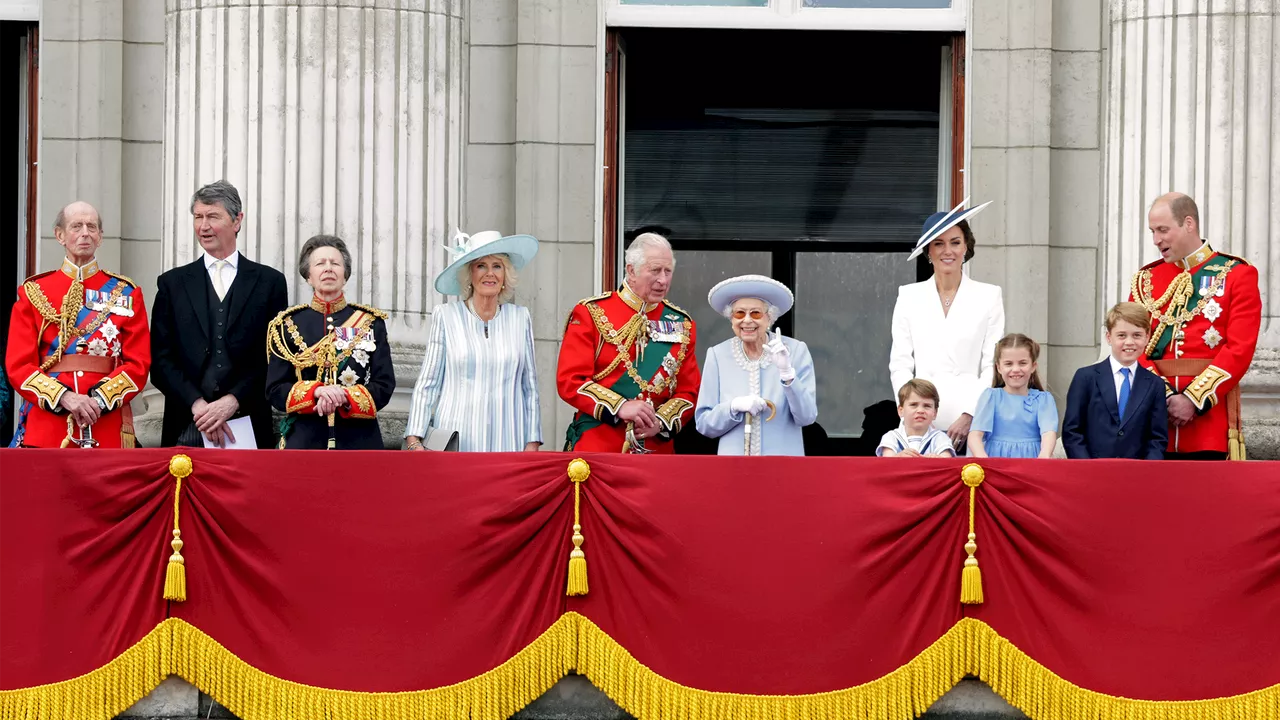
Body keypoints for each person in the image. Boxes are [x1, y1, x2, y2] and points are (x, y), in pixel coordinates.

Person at [150, 181, 289, 448]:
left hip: (248, 422)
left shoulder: (269, 282)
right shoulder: (172, 284)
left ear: (237, 221)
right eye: (198, 217)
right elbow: (160, 359)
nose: (203, 226)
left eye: (213, 216)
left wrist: (232, 401)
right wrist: (198, 405)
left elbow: (275, 356)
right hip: (187, 422)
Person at [5, 202, 150, 448]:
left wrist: (98, 400)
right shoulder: (34, 292)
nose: (85, 232)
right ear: (60, 235)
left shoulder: (126, 292)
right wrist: (65, 397)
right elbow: (19, 365)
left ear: (100, 237)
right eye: (76, 226)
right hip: (50, 425)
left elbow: (139, 364)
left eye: (92, 226)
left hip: (106, 424)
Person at [1129, 193, 1261, 460]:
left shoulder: (1236, 274)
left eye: (1163, 230)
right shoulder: (1146, 280)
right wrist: (1163, 396)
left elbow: (1239, 350)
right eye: (1153, 231)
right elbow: (1131, 346)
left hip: (1208, 425)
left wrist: (1192, 400)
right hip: (1156, 423)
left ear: (1189, 224)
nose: (1156, 240)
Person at [556, 233, 700, 453]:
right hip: (599, 445)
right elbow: (571, 381)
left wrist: (660, 422)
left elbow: (689, 392)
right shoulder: (591, 312)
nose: (663, 280)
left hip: (656, 450)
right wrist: (620, 406)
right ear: (631, 270)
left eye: (668, 271)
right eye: (655, 270)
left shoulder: (682, 323)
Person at [405, 230, 542, 452]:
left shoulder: (520, 318)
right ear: (469, 274)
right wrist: (414, 439)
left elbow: (530, 387)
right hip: (457, 441)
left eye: (497, 266)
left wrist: (532, 443)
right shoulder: (446, 316)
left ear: (506, 274)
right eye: (481, 266)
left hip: (509, 442)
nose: (490, 273)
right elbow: (428, 382)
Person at [889, 200, 1005, 452]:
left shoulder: (989, 295)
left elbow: (991, 365)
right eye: (938, 244)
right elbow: (900, 363)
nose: (947, 251)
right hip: (919, 422)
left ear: (966, 247)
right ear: (928, 251)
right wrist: (914, 412)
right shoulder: (909, 296)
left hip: (971, 423)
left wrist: (970, 414)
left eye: (955, 242)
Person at [266, 235, 395, 449]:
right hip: (304, 441)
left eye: (335, 263)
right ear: (308, 275)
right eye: (320, 263)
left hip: (359, 442)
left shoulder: (371, 323)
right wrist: (316, 391)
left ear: (345, 275)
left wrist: (343, 396)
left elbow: (384, 385)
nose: (328, 268)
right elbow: (275, 390)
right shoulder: (286, 324)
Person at [694, 274, 817, 455]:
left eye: (756, 313)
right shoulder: (717, 355)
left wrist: (787, 374)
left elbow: (806, 417)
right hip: (733, 468)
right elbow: (704, 425)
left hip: (782, 466)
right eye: (739, 313)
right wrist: (732, 407)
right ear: (732, 319)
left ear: (770, 318)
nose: (747, 320)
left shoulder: (795, 350)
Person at [1062, 303, 1168, 459]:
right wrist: (1086, 467)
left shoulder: (1155, 384)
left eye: (1137, 335)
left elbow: (1157, 438)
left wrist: (1146, 471)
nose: (1129, 342)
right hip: (1092, 471)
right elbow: (1072, 431)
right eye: (1122, 335)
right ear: (1109, 337)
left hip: (1136, 474)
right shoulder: (1085, 377)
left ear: (1147, 337)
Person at [967, 333, 1058, 459]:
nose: (1015, 369)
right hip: (996, 461)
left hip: (1033, 461)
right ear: (999, 367)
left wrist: (1044, 455)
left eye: (1022, 363)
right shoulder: (991, 397)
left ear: (1033, 366)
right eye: (1008, 364)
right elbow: (975, 435)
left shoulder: (1044, 400)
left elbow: (1048, 433)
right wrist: (983, 459)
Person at [877, 379, 956, 458]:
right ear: (901, 410)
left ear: (934, 413)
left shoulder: (940, 437)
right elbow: (887, 461)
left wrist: (937, 459)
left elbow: (947, 460)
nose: (920, 411)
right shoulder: (891, 437)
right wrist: (899, 457)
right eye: (914, 405)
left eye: (927, 406)